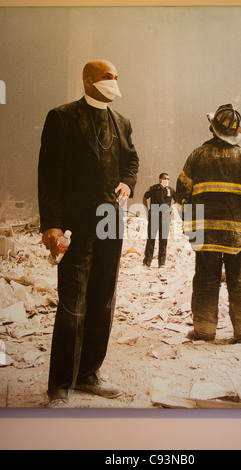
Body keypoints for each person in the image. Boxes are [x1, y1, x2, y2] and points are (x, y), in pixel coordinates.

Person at [38, 60, 139, 407]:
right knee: (72, 305)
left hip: (111, 220)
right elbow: (48, 174)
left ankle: (88, 375)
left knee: (103, 300)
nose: (114, 81)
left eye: (116, 76)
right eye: (108, 77)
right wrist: (50, 223)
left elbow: (131, 160)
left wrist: (127, 182)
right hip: (75, 222)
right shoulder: (62, 117)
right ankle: (60, 385)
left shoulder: (121, 122)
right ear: (87, 80)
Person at [176, 104, 241, 343]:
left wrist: (191, 225)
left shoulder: (196, 156)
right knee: (240, 280)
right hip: (236, 233)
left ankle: (204, 331)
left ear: (212, 129)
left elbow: (182, 193)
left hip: (205, 233)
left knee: (205, 279)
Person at [143, 173, 176, 268]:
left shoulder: (170, 190)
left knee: (163, 240)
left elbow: (177, 199)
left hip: (165, 218)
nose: (166, 180)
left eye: (168, 179)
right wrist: (146, 209)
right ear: (160, 179)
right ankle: (147, 262)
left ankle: (161, 263)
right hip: (153, 217)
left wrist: (172, 207)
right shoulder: (153, 189)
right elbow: (145, 197)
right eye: (165, 178)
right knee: (151, 239)